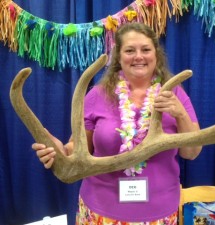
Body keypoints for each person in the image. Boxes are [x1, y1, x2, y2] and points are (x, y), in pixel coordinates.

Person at [32, 22, 202, 224]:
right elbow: (79, 147)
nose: (138, 56)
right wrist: (62, 152)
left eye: (146, 49)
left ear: (156, 55)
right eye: (130, 50)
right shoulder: (97, 94)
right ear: (119, 58)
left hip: (160, 213)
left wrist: (180, 115)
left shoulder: (175, 93)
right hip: (99, 211)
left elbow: (191, 153)